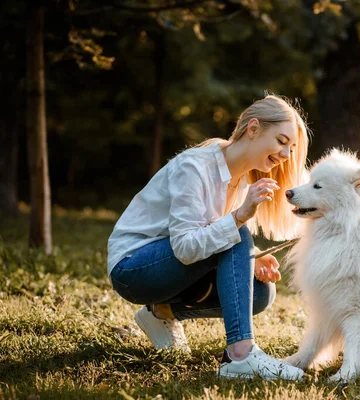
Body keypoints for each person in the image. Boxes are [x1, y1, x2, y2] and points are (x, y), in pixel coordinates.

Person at [107, 94, 310, 380]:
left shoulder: (241, 181)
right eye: (281, 141)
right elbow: (185, 248)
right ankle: (240, 356)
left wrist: (251, 259)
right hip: (132, 268)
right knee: (236, 233)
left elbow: (213, 239)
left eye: (291, 148)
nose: (286, 155)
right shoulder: (195, 167)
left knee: (261, 293)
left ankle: (161, 312)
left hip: (170, 268)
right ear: (253, 129)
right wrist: (239, 217)